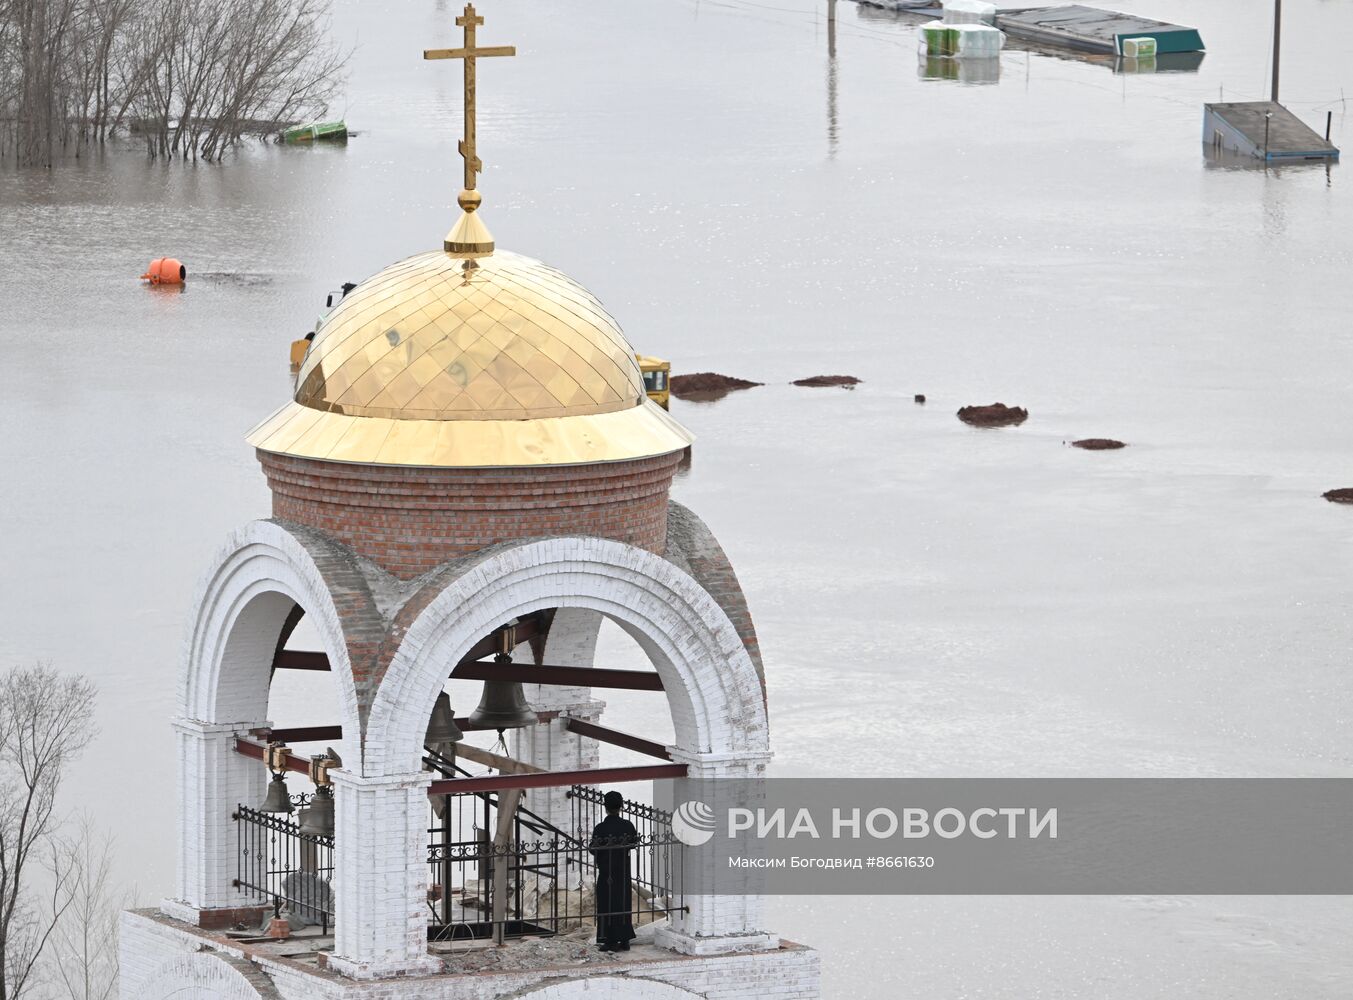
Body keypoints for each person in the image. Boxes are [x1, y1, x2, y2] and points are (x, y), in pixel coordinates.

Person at [589, 790, 639, 952]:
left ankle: (609, 940)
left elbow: (593, 849)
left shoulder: (601, 828)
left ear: (605, 807)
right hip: (623, 871)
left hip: (606, 872)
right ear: (621, 806)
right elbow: (633, 843)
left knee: (607, 904)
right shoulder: (628, 826)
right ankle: (624, 939)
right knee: (623, 902)